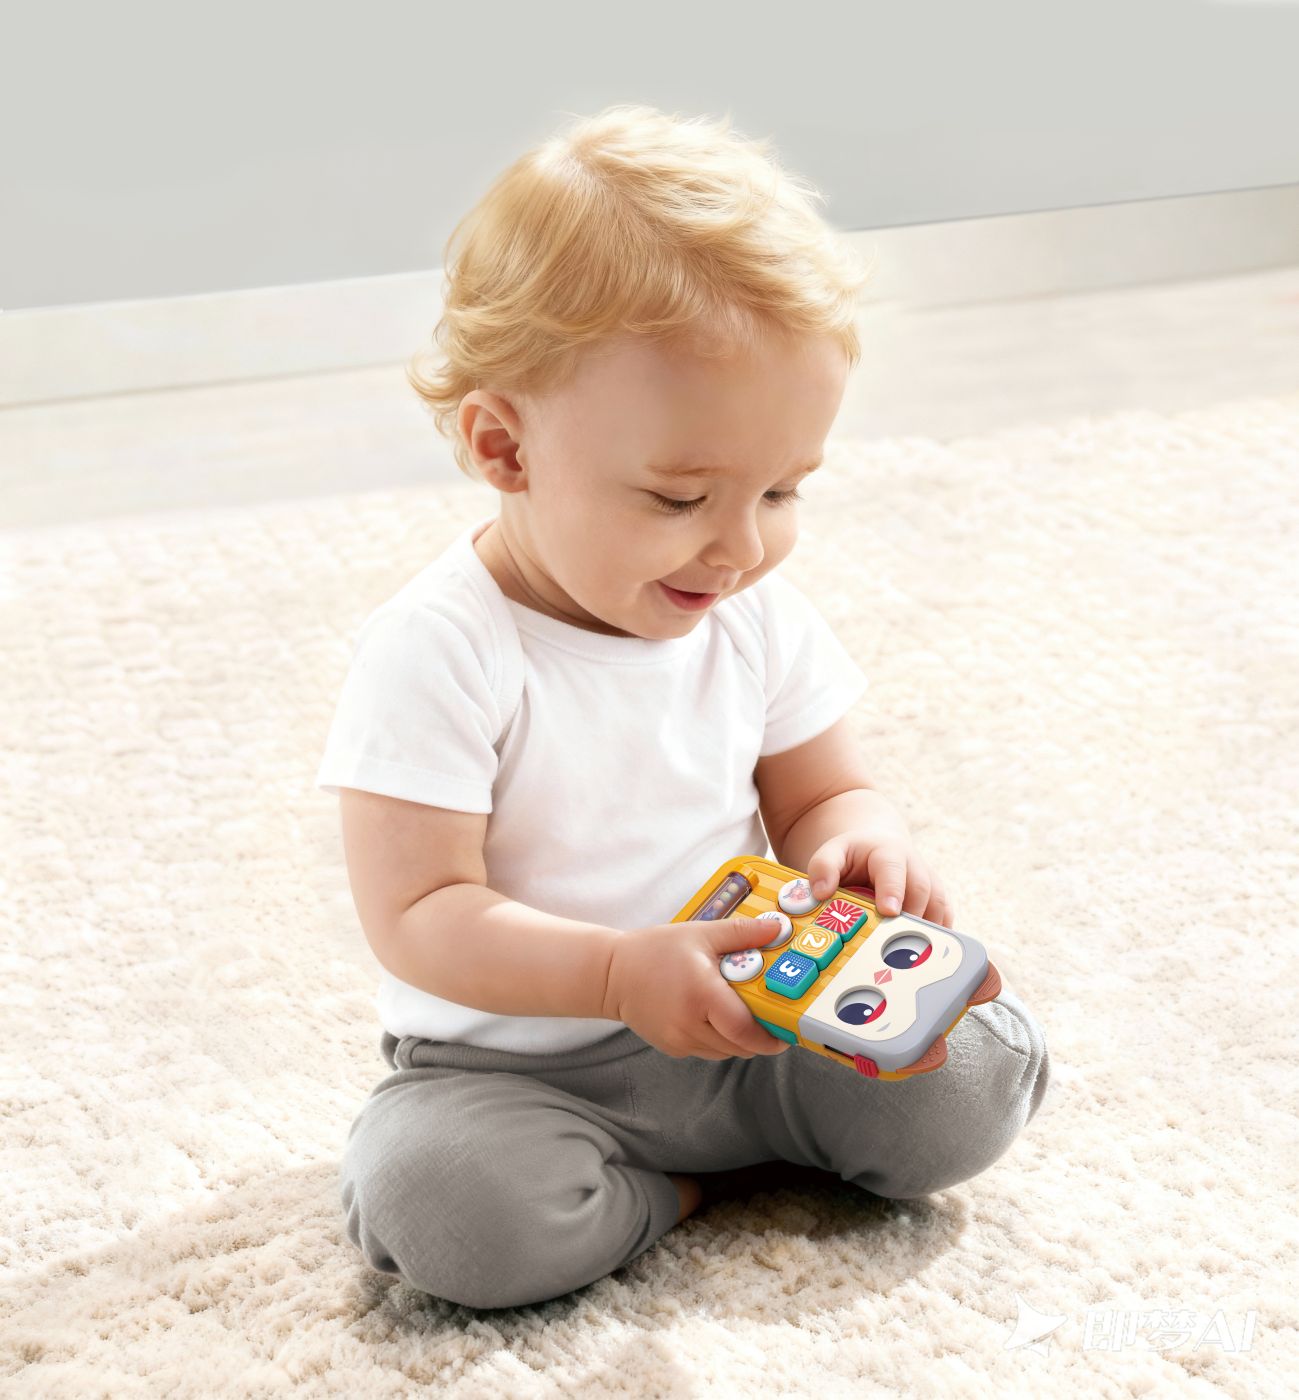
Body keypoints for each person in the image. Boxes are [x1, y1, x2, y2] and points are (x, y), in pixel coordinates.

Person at [316, 104, 1050, 1310]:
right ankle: (687, 1188)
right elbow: (421, 913)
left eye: (782, 490)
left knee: (966, 1083)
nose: (741, 546)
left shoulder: (749, 612)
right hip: (515, 1071)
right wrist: (617, 974)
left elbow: (824, 790)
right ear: (505, 448)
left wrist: (862, 843)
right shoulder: (438, 649)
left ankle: (734, 1148)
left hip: (758, 1026)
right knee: (454, 1213)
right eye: (679, 497)